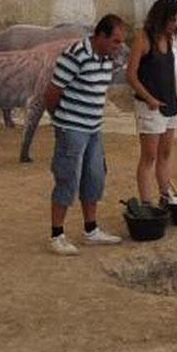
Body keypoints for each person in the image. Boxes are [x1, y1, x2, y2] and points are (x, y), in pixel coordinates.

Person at [44, 14, 128, 255]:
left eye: (121, 42)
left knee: (94, 176)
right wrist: (60, 120)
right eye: (115, 41)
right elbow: (53, 92)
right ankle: (57, 234)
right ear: (100, 36)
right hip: (72, 127)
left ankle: (91, 230)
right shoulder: (75, 55)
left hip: (94, 127)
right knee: (67, 177)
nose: (119, 47)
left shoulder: (106, 58)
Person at [125, 0, 177, 204]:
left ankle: (165, 195)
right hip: (150, 105)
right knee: (149, 156)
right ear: (162, 18)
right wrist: (149, 98)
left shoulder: (169, 40)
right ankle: (146, 203)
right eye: (173, 21)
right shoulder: (144, 38)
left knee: (166, 153)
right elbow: (131, 75)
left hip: (170, 102)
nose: (176, 26)